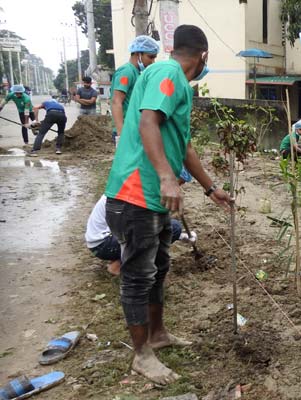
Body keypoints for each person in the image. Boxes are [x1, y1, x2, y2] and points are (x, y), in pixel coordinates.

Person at [104, 25, 232, 384]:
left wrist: (211, 189)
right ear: (203, 54)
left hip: (151, 196)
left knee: (159, 265)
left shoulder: (177, 84)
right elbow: (148, 122)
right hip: (136, 194)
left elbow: (184, 145)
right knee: (137, 275)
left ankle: (157, 335)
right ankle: (141, 356)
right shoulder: (167, 72)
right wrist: (165, 176)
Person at [86, 194, 196, 276]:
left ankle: (121, 259)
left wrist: (182, 236)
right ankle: (121, 266)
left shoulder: (124, 187)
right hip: (104, 244)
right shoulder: (130, 196)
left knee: (171, 228)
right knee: (173, 228)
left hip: (102, 242)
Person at [111, 35, 159, 144]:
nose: (153, 62)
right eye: (150, 57)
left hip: (134, 128)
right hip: (126, 130)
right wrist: (121, 133)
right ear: (138, 54)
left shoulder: (137, 73)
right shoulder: (126, 72)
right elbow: (116, 101)